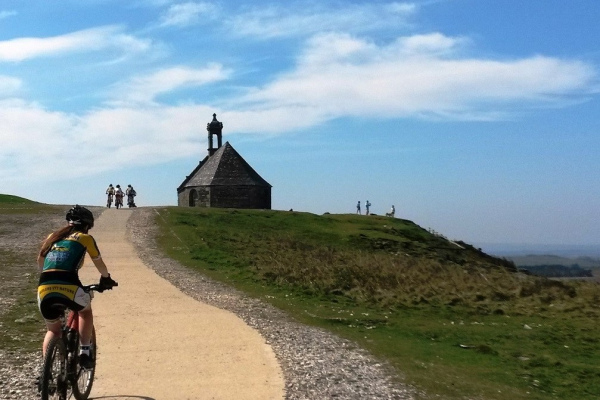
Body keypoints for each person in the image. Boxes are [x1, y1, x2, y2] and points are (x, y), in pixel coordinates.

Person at [37, 205, 117, 369]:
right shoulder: (85, 238)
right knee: (85, 311)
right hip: (69, 286)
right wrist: (106, 279)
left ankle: (47, 370)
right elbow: (99, 262)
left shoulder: (52, 237)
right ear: (87, 225)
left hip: (44, 288)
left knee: (53, 330)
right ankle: (85, 352)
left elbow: (40, 261)